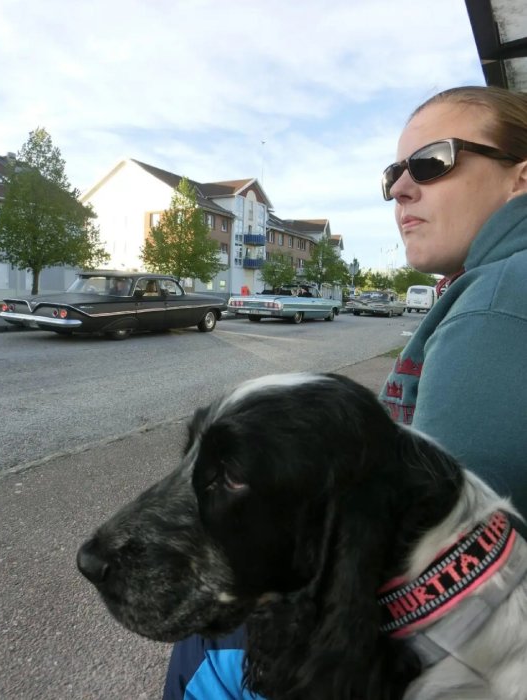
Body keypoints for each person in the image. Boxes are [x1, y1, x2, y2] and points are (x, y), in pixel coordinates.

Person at [163, 85, 527, 700]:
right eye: (393, 173)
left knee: (206, 637)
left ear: (520, 180)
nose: (399, 189)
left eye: (432, 162)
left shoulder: (494, 302)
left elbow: (450, 580)